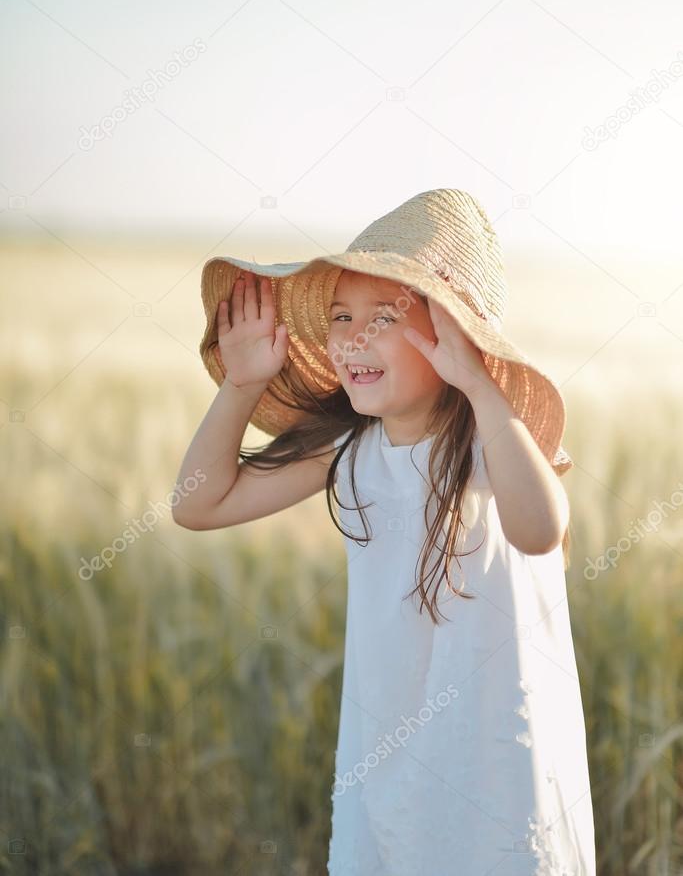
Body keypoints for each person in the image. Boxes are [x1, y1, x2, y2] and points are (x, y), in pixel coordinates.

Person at [173, 188, 596, 875]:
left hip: (499, 771)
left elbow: (540, 527)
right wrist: (241, 384)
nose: (352, 339)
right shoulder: (350, 450)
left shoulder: (492, 444)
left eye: (384, 317)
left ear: (452, 332)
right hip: (389, 771)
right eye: (341, 315)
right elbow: (197, 504)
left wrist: (481, 384)